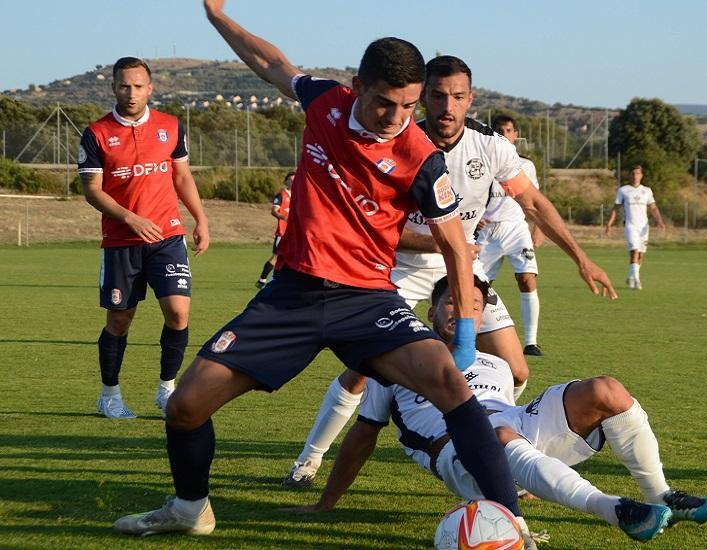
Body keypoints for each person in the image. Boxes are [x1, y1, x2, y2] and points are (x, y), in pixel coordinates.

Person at [113, 2, 535, 543]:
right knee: (187, 404)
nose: (397, 116)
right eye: (385, 102)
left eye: (409, 105)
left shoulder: (422, 156)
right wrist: (217, 16)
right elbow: (270, 61)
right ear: (357, 86)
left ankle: (508, 520)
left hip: (367, 300)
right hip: (292, 294)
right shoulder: (326, 103)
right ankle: (189, 507)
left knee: (454, 386)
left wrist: (466, 337)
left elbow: (456, 245)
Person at [282, 55, 617, 490]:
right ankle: (308, 462)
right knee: (362, 373)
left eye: (457, 97)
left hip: (463, 269)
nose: (447, 106)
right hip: (397, 271)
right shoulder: (397, 143)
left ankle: (494, 454)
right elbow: (377, 228)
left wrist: (581, 257)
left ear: (470, 99)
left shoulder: (491, 146)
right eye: (437, 96)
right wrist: (446, 242)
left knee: (515, 369)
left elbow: (532, 202)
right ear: (422, 99)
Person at [297, 276, 707, 543]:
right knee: (498, 436)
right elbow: (363, 435)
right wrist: (326, 503)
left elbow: (513, 418)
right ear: (431, 310)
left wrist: (520, 472)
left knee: (606, 390)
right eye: (451, 302)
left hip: (512, 431)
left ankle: (663, 497)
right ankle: (616, 511)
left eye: (473, 306)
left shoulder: (497, 364)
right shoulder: (396, 363)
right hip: (456, 451)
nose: (461, 310)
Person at [78, 56, 209, 420]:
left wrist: (200, 218)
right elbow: (92, 190)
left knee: (178, 313)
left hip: (167, 236)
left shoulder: (170, 126)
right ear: (114, 88)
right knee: (120, 321)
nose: (131, 93)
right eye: (124, 86)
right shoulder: (97, 133)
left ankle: (167, 389)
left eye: (138, 86)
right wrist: (130, 218)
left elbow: (182, 177)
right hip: (121, 242)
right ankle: (110, 394)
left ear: (150, 88)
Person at [476, 115, 545, 356]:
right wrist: (475, 217)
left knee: (527, 279)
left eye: (508, 130)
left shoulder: (526, 165)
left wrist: (539, 228)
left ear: (516, 135)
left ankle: (531, 341)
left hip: (516, 229)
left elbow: (533, 200)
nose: (504, 133)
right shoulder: (482, 160)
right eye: (499, 130)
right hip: (486, 232)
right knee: (478, 286)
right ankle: (474, 336)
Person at [605, 165, 666, 289]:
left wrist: (660, 221)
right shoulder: (623, 190)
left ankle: (630, 276)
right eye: (633, 173)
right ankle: (637, 280)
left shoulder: (647, 191)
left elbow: (653, 207)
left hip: (644, 226)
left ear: (641, 175)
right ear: (629, 175)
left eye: (637, 173)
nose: (635, 176)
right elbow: (616, 208)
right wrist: (609, 223)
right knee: (634, 250)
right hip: (630, 225)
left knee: (641, 254)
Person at [255, 171, 294, 288]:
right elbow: (274, 211)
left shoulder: (298, 195)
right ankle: (262, 280)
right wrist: (283, 217)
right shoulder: (281, 195)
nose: (293, 182)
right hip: (283, 232)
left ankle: (285, 280)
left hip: (294, 233)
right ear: (286, 181)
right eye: (290, 180)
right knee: (276, 257)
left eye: (295, 180)